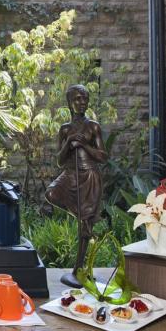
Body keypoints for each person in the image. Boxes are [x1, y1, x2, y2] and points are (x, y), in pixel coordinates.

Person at [45, 84, 108, 288]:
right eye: (78, 99)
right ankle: (80, 216)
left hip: (89, 175)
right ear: (70, 103)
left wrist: (84, 145)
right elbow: (59, 161)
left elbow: (102, 156)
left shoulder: (93, 126)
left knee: (85, 227)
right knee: (51, 192)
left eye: (85, 98)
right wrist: (69, 141)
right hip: (70, 174)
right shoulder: (65, 129)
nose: (82, 102)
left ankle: (80, 268)